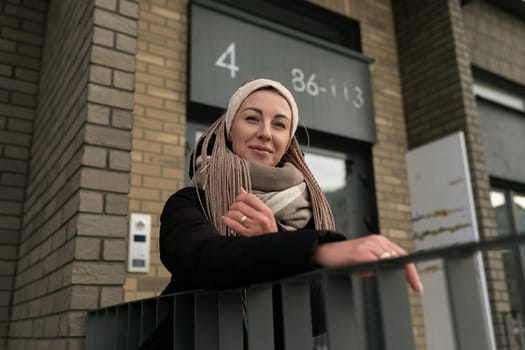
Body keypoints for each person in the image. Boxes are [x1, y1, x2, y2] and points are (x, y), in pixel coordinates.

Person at [141, 78, 422, 349]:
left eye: (279, 125)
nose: (266, 132)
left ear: (288, 139)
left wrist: (275, 235)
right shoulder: (190, 202)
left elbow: (318, 317)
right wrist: (317, 251)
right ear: (229, 130)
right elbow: (202, 259)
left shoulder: (308, 211)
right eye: (252, 118)